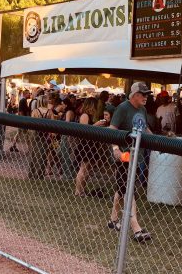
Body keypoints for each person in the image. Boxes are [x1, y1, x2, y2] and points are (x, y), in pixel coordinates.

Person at [108, 82, 153, 242]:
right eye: (143, 94)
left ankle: (113, 219)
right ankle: (136, 228)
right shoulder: (123, 108)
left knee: (122, 188)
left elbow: (145, 129)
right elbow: (111, 130)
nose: (146, 97)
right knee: (129, 189)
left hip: (137, 156)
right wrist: (115, 149)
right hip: (124, 156)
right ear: (134, 95)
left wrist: (158, 142)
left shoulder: (143, 109)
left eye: (147, 94)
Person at [75, 97, 101, 197]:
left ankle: (82, 190)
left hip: (92, 145)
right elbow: (85, 131)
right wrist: (96, 125)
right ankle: (78, 191)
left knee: (88, 170)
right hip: (85, 146)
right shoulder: (85, 115)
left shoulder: (93, 116)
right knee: (83, 169)